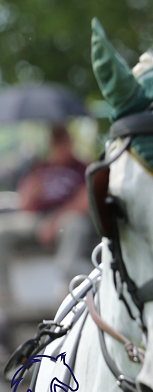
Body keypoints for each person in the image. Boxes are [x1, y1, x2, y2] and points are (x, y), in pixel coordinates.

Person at [0, 124, 94, 307]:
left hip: (66, 219)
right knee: (3, 230)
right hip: (38, 220)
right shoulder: (40, 168)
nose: (59, 147)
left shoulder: (82, 169)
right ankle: (4, 293)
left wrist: (54, 220)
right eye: (55, 142)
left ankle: (66, 280)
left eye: (62, 141)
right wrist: (32, 189)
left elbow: (84, 203)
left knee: (76, 225)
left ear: (70, 142)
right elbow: (23, 204)